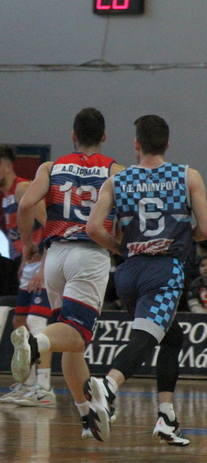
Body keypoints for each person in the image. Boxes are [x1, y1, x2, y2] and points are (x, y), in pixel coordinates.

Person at [82, 114, 207, 444]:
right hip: (164, 270)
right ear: (167, 144)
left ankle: (167, 416)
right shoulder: (187, 175)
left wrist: (120, 249)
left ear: (136, 144)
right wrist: (183, 237)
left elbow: (93, 227)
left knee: (172, 337)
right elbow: (205, 228)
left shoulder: (117, 180)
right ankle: (108, 385)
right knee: (146, 337)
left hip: (128, 273)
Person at [10, 107, 124, 439]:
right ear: (104, 137)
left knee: (72, 344)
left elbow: (25, 204)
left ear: (73, 136)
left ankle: (87, 415)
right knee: (77, 334)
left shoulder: (51, 167)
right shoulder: (116, 171)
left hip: (55, 256)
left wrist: (28, 243)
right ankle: (35, 343)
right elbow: (129, 216)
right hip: (89, 254)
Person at [0, 144, 53, 407]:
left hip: (49, 262)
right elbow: (27, 234)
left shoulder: (23, 189)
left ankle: (44, 388)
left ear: (9, 166)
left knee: (36, 323)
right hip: (31, 264)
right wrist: (24, 261)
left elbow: (51, 228)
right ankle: (29, 384)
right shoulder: (6, 197)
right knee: (19, 323)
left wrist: (44, 269)